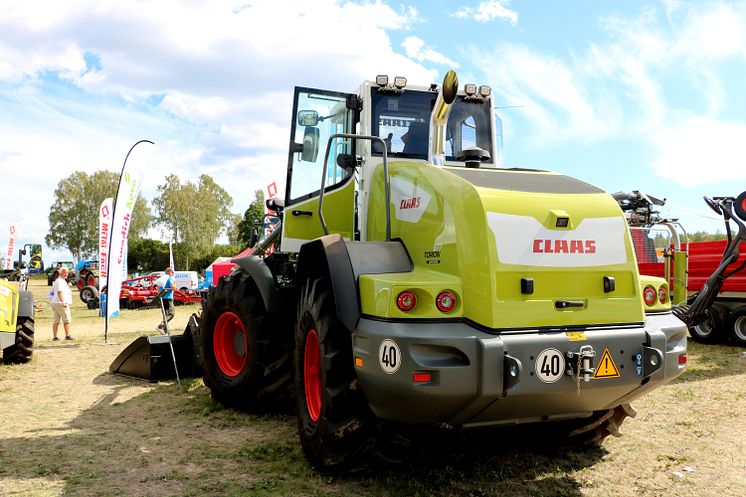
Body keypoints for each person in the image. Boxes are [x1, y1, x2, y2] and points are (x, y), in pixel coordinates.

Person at [51, 267, 74, 341]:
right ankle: (67, 335)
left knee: (56, 321)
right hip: (60, 303)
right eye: (65, 272)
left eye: (67, 272)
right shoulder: (60, 281)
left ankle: (55, 337)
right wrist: (63, 302)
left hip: (55, 302)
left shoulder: (59, 280)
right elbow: (59, 292)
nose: (67, 274)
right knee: (66, 320)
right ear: (61, 273)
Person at [157, 267, 176, 333]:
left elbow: (158, 288)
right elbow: (173, 287)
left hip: (162, 298)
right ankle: (161, 326)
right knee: (171, 314)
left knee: (165, 315)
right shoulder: (170, 278)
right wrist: (175, 284)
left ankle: (166, 330)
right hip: (168, 298)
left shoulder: (162, 279)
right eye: (172, 272)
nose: (173, 274)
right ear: (169, 272)